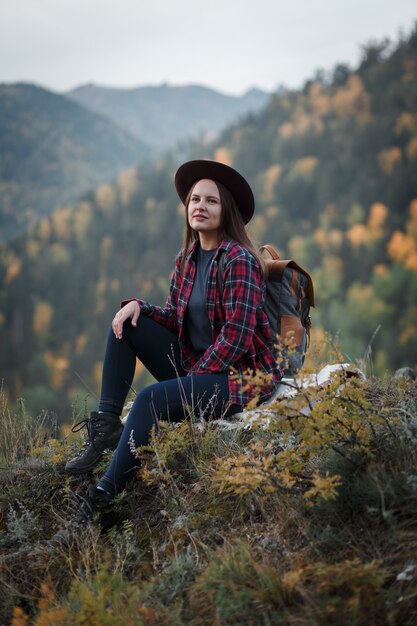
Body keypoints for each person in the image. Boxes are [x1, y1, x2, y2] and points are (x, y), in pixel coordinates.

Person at [54, 160, 282, 542]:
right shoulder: (187, 259)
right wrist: (139, 306)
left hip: (240, 379)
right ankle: (108, 427)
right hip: (201, 370)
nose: (200, 206)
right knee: (125, 325)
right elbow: (177, 318)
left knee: (148, 400)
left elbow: (237, 336)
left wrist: (191, 383)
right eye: (195, 199)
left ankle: (100, 502)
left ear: (226, 210)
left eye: (211, 200)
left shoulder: (239, 260)